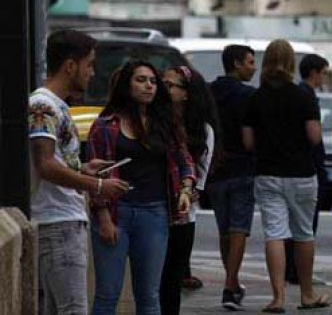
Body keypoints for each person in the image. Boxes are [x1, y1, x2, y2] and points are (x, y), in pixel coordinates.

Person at [28, 29, 130, 315]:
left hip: (62, 221)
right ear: (71, 65)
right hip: (58, 222)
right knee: (73, 309)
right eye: (89, 64)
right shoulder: (43, 105)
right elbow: (45, 164)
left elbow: (54, 160)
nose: (92, 73)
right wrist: (96, 186)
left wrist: (83, 168)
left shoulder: (53, 105)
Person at [87, 60, 196, 315]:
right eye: (140, 80)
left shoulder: (165, 124)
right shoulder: (105, 125)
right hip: (116, 212)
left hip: (154, 213)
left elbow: (185, 161)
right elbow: (97, 177)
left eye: (153, 81)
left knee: (149, 295)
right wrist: (103, 217)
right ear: (127, 85)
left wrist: (186, 189)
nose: (149, 86)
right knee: (107, 293)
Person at [242, 39, 330, 313]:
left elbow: (248, 143)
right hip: (302, 173)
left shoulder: (255, 98)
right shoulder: (303, 95)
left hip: (267, 173)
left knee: (275, 234)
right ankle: (306, 294)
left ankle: (278, 298)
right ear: (291, 63)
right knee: (303, 233)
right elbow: (314, 137)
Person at [160, 66, 218, 314]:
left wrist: (188, 190)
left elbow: (199, 179)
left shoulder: (203, 130)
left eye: (172, 85)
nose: (164, 88)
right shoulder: (154, 122)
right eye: (163, 83)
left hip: (182, 214)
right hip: (151, 208)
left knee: (172, 281)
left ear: (187, 94)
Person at [208, 44, 257, 310]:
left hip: (215, 170)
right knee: (239, 228)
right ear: (236, 64)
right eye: (250, 62)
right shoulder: (249, 95)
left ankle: (233, 283)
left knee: (224, 229)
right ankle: (229, 286)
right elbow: (252, 136)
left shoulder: (209, 92)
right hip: (242, 168)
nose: (254, 67)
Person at [285, 53, 331, 285]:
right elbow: (314, 137)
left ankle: (291, 268)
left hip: (299, 165)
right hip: (308, 166)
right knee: (304, 224)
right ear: (314, 72)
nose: (324, 78)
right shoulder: (306, 96)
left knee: (295, 222)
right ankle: (297, 270)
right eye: (323, 73)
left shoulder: (299, 94)